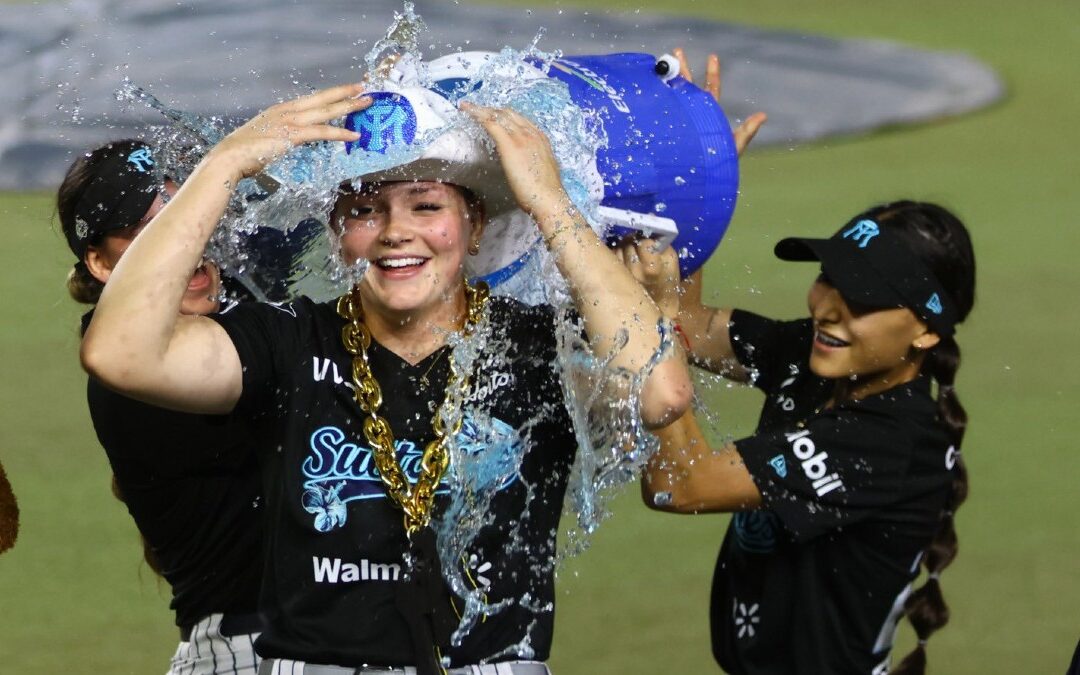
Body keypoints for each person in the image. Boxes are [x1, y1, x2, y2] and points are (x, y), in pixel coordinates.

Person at [80, 82, 692, 674]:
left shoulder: (532, 345)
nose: (397, 230)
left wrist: (549, 203)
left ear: (474, 225)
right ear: (337, 234)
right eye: (365, 210)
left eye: (427, 205)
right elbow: (121, 354)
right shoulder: (287, 341)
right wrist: (226, 164)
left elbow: (659, 394)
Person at [627, 195, 975, 672]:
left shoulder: (890, 441)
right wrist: (696, 196)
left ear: (926, 330)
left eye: (864, 296)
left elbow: (679, 484)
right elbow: (690, 326)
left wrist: (652, 327)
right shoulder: (821, 359)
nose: (829, 310)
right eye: (829, 278)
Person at [58, 139, 264, 675]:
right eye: (146, 230)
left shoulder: (238, 308)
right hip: (251, 652)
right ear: (100, 263)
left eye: (184, 216)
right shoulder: (133, 375)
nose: (184, 243)